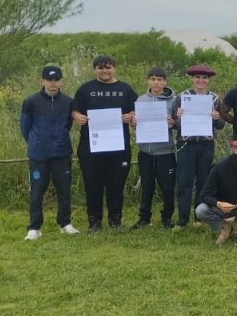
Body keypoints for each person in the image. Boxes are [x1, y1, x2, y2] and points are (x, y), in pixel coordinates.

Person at [71, 54, 137, 231]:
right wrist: (77, 116)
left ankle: (115, 220)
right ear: (95, 70)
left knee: (116, 184)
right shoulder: (85, 89)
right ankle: (94, 221)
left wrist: (131, 116)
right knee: (93, 185)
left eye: (108, 67)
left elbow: (136, 111)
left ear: (114, 68)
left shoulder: (125, 89)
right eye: (100, 68)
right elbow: (74, 110)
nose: (104, 71)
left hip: (119, 147)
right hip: (91, 146)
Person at [20, 65, 78, 240]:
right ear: (42, 81)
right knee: (37, 192)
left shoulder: (68, 101)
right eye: (49, 80)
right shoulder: (30, 101)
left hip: (62, 153)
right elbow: (25, 128)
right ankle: (34, 227)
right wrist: (37, 142)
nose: (53, 84)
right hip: (39, 155)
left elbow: (68, 125)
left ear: (61, 81)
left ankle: (65, 223)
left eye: (56, 80)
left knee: (64, 190)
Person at [172, 64, 225, 228]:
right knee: (184, 182)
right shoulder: (182, 97)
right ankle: (182, 220)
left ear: (208, 80)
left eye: (204, 77)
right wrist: (178, 117)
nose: (201, 80)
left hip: (206, 144)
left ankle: (199, 218)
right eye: (197, 77)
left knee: (204, 181)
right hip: (186, 144)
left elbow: (221, 125)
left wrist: (216, 117)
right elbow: (173, 124)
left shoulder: (215, 99)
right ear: (192, 78)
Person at [131, 67, 176, 229]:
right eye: (153, 79)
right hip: (145, 152)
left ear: (165, 81)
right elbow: (136, 126)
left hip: (166, 151)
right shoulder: (141, 100)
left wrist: (173, 123)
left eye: (159, 79)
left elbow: (179, 124)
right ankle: (144, 218)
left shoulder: (173, 100)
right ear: (148, 81)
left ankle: (167, 218)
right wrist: (134, 123)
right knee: (147, 186)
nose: (156, 82)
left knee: (167, 187)